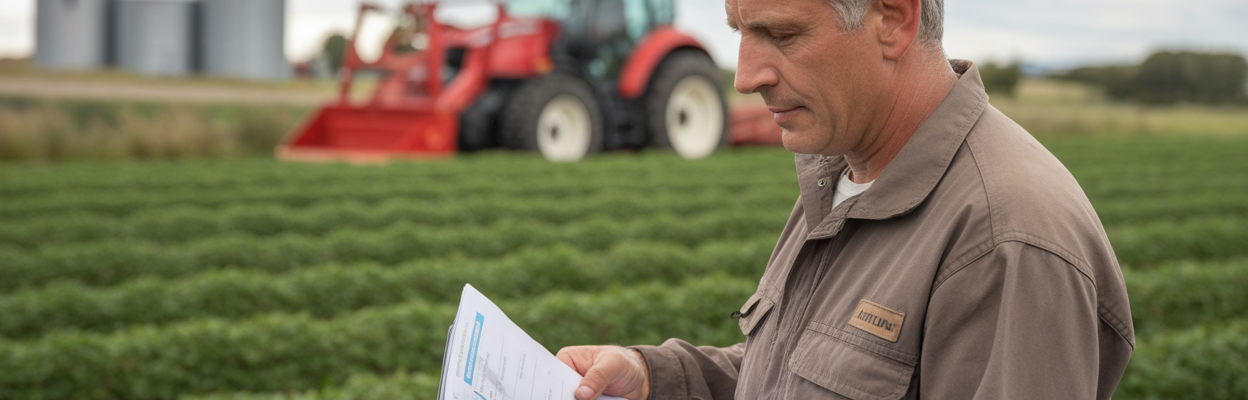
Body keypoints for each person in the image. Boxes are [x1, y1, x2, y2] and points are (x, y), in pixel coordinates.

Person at [556, 0, 1135, 398]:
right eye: (741, 32)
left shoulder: (1005, 241)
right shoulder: (846, 170)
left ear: (892, 20)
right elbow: (802, 377)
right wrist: (655, 376)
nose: (745, 75)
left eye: (781, 35)